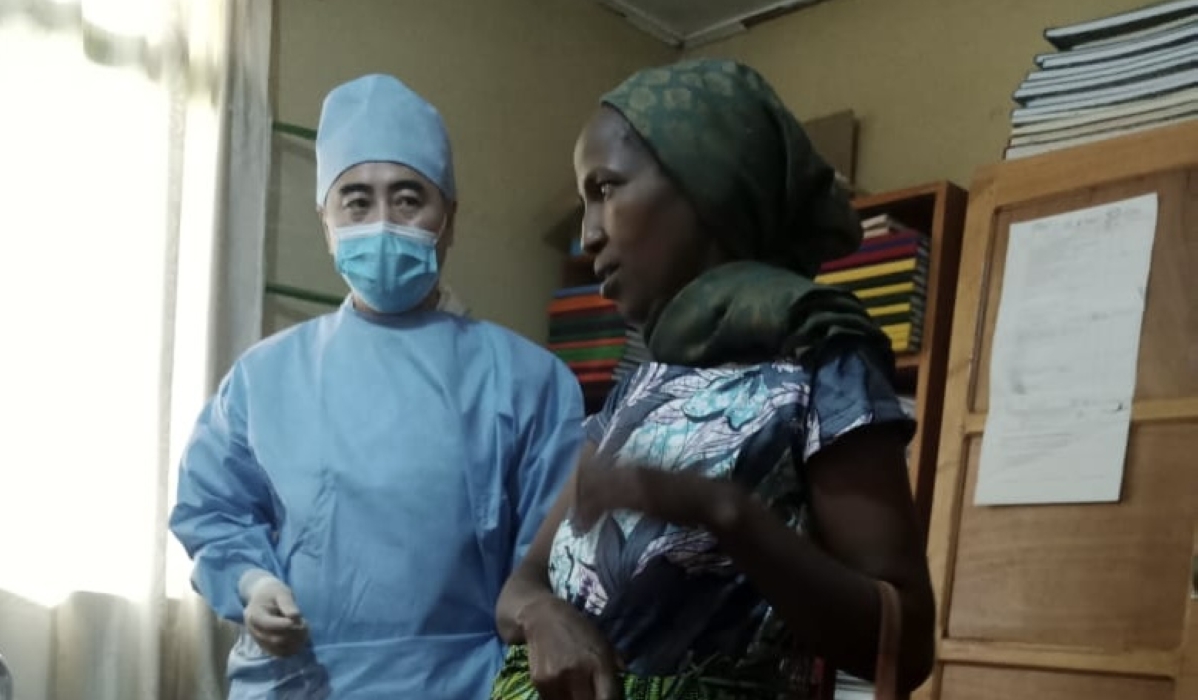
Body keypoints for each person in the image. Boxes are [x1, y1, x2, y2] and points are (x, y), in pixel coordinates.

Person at [491, 59, 935, 700]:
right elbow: (522, 583)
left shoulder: (822, 361)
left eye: (606, 188)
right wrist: (545, 618)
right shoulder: (642, 384)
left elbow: (907, 643)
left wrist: (727, 515)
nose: (588, 235)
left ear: (707, 185)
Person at [170, 74, 584, 698]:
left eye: (409, 198)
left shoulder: (527, 381)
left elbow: (553, 558)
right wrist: (252, 583)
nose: (383, 221)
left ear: (448, 218)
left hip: (464, 682)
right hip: (297, 680)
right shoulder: (264, 378)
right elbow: (213, 511)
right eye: (357, 201)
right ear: (327, 220)